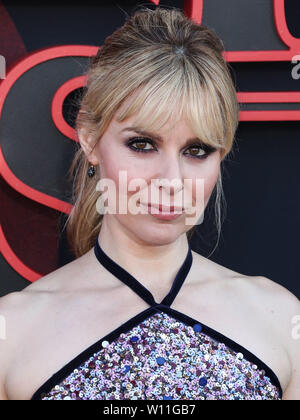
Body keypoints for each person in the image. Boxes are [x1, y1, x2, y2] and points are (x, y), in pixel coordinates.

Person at [0, 7, 299, 400]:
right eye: (142, 144)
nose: (172, 181)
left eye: (197, 150)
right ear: (89, 138)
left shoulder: (280, 318)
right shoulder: (13, 331)